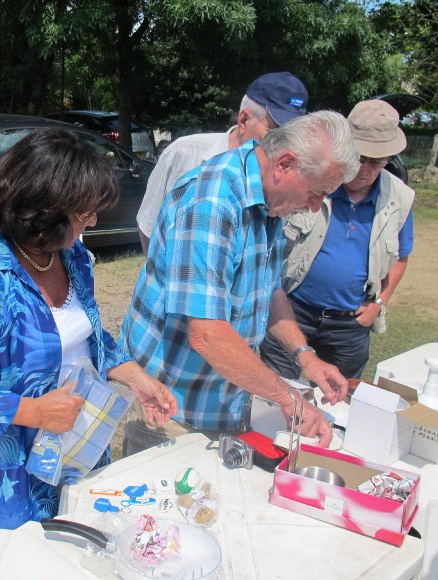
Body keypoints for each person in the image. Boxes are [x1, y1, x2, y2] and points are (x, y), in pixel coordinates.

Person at [0, 127, 177, 529]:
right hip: (9, 470)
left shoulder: (68, 252)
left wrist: (134, 377)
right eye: (84, 212)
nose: (92, 221)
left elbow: (85, 334)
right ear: (43, 210)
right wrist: (37, 411)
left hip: (75, 447)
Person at [120, 111, 360, 456]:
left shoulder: (268, 197)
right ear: (285, 164)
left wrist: (306, 357)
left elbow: (269, 288)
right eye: (316, 192)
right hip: (170, 402)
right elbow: (208, 333)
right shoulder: (212, 202)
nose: (314, 205)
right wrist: (287, 397)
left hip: (221, 396)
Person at [259, 99, 414, 380]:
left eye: (374, 163)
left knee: (340, 403)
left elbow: (401, 257)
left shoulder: (399, 198)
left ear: (388, 161)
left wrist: (380, 304)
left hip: (349, 324)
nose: (362, 170)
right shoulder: (312, 178)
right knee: (276, 394)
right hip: (292, 310)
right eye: (358, 158)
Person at [136, 71, 309, 253]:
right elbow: (148, 225)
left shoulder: (288, 178)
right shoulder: (185, 154)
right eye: (275, 132)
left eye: (292, 136)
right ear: (244, 120)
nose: (285, 146)